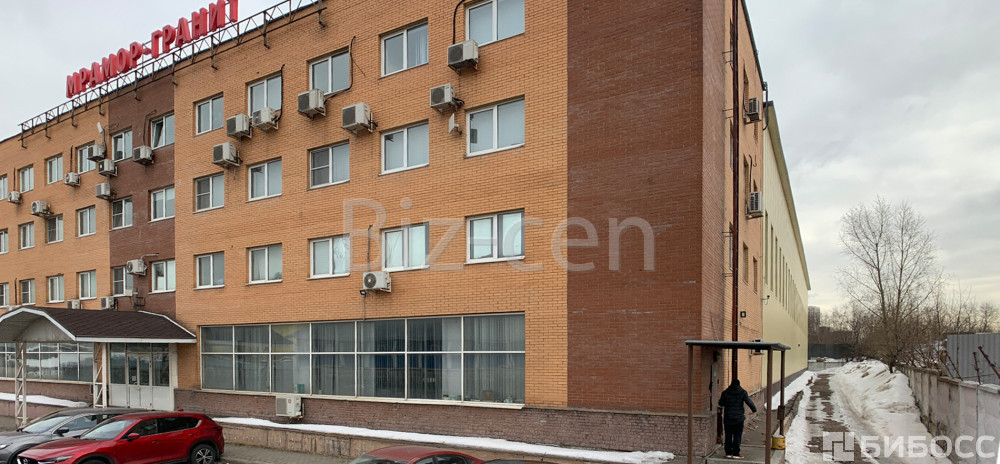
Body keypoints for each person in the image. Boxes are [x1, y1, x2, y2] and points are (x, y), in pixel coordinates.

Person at [718, 378, 757, 459]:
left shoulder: (725, 392)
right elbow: (749, 402)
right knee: (737, 436)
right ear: (739, 384)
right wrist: (754, 410)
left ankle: (728, 453)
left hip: (728, 418)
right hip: (739, 419)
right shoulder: (742, 392)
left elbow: (720, 403)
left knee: (728, 435)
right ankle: (736, 453)